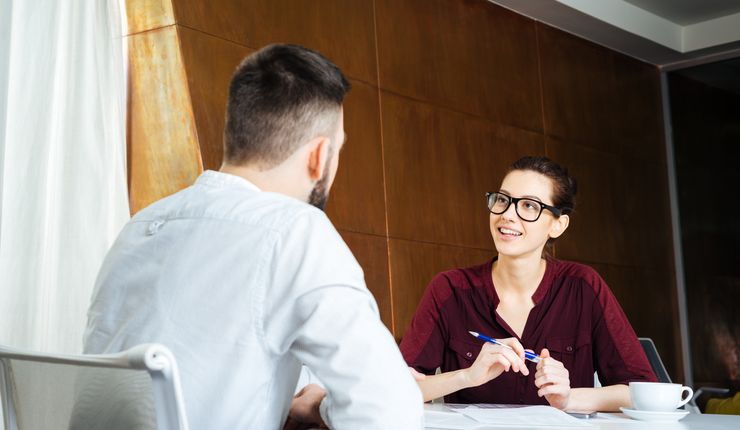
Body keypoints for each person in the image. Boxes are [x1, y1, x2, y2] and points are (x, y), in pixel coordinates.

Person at [83, 44, 423, 429]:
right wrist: (323, 408)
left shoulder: (138, 227)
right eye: (339, 149)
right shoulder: (295, 231)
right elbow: (390, 412)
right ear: (319, 155)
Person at [400, 156, 657, 412]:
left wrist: (569, 399)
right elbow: (394, 387)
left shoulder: (582, 286)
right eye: (502, 200)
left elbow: (641, 390)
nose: (508, 215)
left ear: (558, 224)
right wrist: (467, 376)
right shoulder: (450, 289)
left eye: (529, 206)